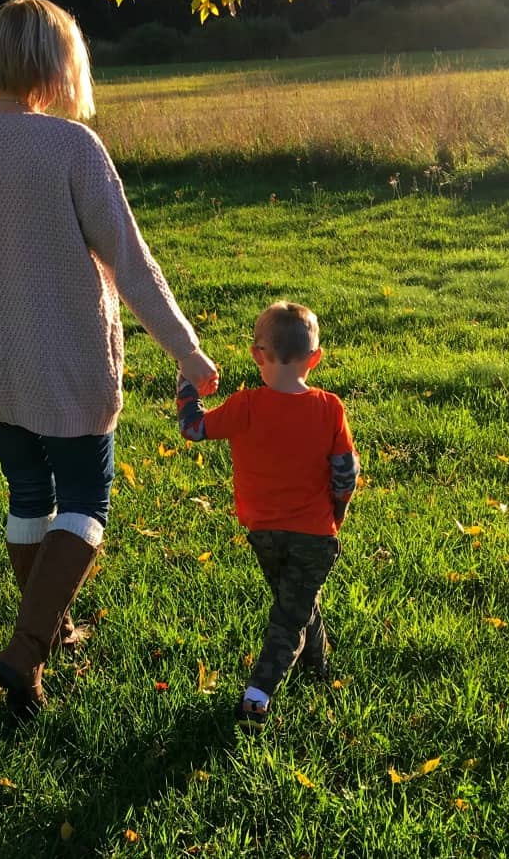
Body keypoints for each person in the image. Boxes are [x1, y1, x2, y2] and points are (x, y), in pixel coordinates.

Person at [0, 0, 218, 718]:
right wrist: (187, 348)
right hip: (66, 360)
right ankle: (27, 648)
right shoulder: (71, 146)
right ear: (61, 65)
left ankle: (47, 628)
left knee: (29, 495)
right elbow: (131, 264)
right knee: (86, 499)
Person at [176, 301, 359, 733]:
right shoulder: (330, 408)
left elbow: (193, 428)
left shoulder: (245, 406)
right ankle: (276, 685)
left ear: (258, 355)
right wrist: (338, 514)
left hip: (263, 534)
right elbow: (345, 474)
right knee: (291, 611)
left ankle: (289, 677)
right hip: (315, 535)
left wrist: (187, 384)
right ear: (315, 358)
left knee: (290, 607)